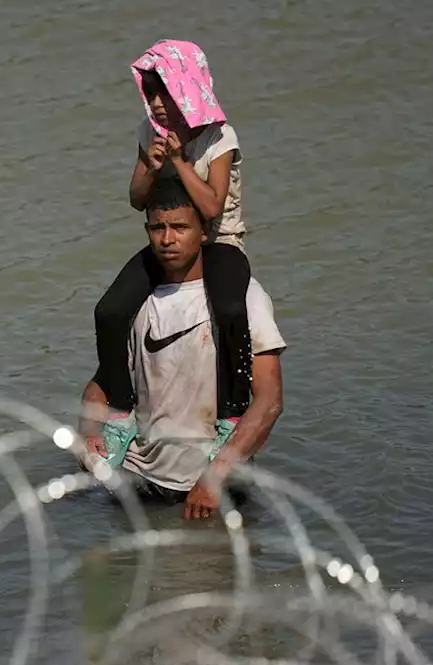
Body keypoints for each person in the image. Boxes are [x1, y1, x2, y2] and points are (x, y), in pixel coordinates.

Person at [77, 178, 285, 520]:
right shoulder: (137, 301)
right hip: (138, 482)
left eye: (179, 227)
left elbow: (269, 401)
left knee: (218, 571)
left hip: (213, 485)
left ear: (203, 231)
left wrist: (214, 477)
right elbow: (101, 386)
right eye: (158, 227)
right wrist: (88, 435)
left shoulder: (245, 297)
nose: (168, 238)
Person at [93, 39, 255, 460]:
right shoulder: (151, 132)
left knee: (232, 311)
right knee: (108, 312)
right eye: (150, 94)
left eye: (164, 92)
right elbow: (135, 198)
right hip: (171, 238)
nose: (157, 104)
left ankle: (232, 415)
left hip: (218, 242)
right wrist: (151, 162)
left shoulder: (220, 137)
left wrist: (181, 161)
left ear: (187, 87)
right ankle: (122, 413)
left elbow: (212, 206)